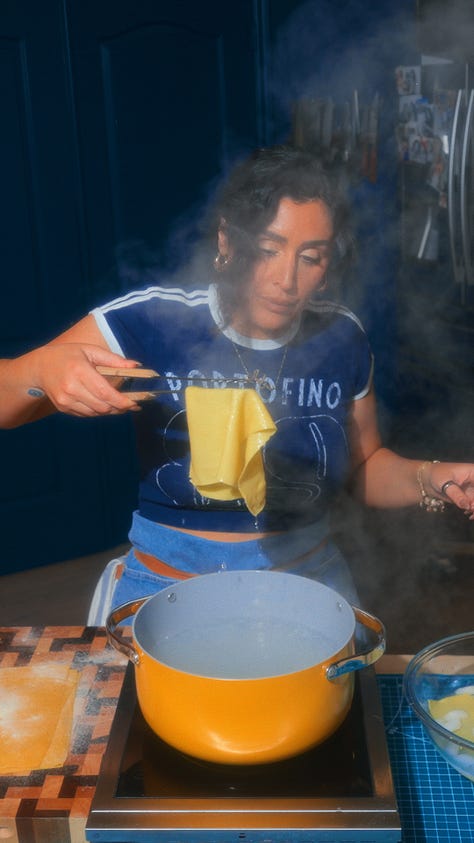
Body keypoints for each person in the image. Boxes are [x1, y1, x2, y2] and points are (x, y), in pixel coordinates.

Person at [1, 145, 473, 625]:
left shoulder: (341, 335)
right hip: (167, 586)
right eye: (268, 250)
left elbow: (363, 465)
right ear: (227, 241)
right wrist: (38, 371)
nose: (286, 279)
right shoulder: (154, 319)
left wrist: (431, 477)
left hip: (306, 579)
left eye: (311, 257)